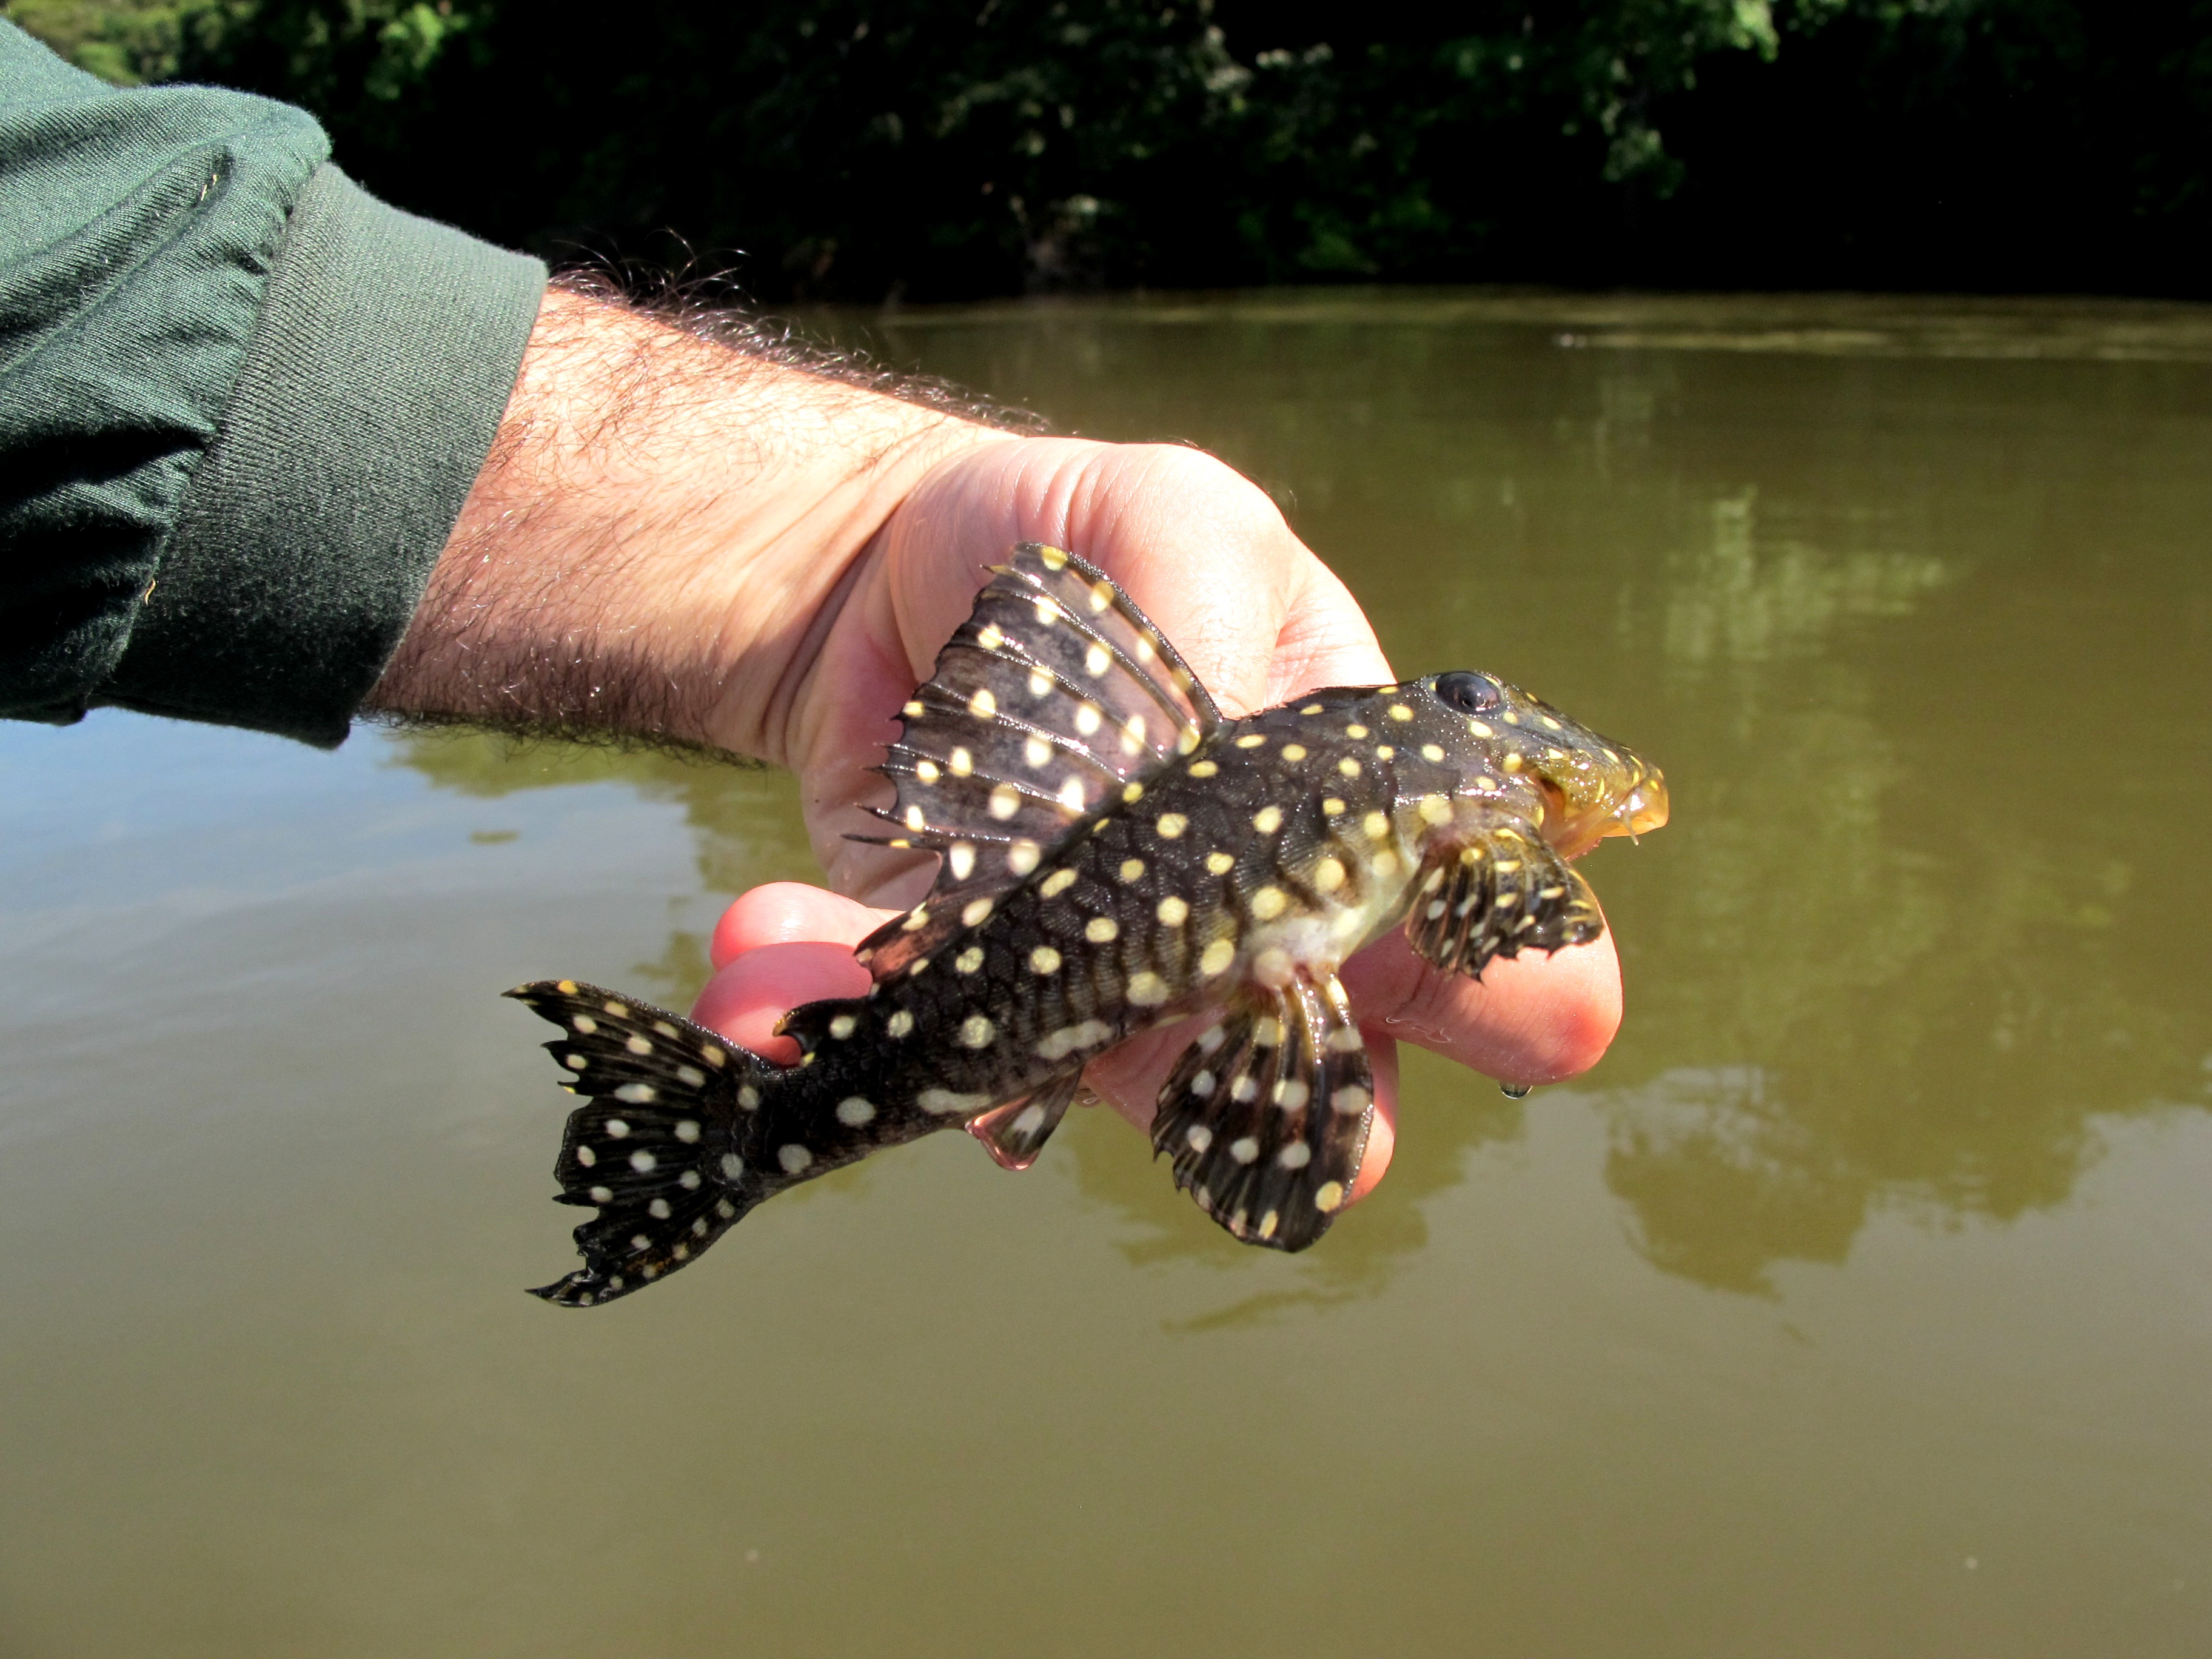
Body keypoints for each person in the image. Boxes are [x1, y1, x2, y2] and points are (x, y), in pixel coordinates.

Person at [0, 22, 1620, 1209]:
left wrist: (858, 543)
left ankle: (749, 1132)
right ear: (1508, 810)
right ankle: (753, 1135)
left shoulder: (1439, 791)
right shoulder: (1468, 823)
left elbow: (87, 270)